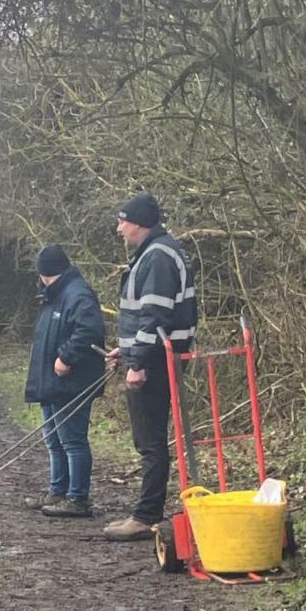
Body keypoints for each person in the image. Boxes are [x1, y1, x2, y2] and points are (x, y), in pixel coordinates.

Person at [104, 193, 197, 541]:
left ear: (140, 223)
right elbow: (147, 318)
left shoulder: (157, 257)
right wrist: (125, 349)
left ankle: (146, 515)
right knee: (150, 438)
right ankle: (147, 510)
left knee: (150, 440)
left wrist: (138, 362)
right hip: (156, 356)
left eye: (122, 221)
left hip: (157, 361)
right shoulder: (160, 251)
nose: (119, 228)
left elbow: (155, 316)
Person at [24, 244, 106, 518]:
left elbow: (89, 331)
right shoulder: (54, 295)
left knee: (73, 441)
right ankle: (57, 490)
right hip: (51, 383)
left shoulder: (77, 294)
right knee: (54, 440)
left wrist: (66, 358)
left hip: (71, 383)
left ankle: (77, 497)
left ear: (45, 272)